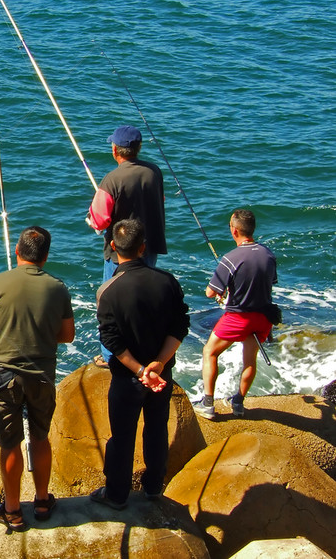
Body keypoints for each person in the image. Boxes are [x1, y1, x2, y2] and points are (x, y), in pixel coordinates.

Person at [0, 226, 75, 531]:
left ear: (17, 252)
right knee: (40, 437)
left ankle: (12, 511)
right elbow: (67, 335)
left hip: (2, 376)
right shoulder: (57, 287)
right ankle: (43, 500)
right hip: (41, 377)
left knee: (10, 444)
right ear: (45, 256)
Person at [90, 218, 189, 510]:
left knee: (121, 437)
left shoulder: (108, 291)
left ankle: (117, 494)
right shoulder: (167, 281)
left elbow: (112, 340)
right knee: (157, 429)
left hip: (127, 378)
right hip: (162, 374)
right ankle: (154, 487)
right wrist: (157, 365)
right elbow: (180, 326)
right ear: (144, 247)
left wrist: (139, 370)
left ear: (112, 247)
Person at [86, 124, 167, 367]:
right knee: (143, 297)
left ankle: (111, 356)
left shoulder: (112, 179)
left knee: (111, 303)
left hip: (119, 252)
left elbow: (99, 220)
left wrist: (91, 218)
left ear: (115, 150)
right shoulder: (154, 172)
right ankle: (144, 347)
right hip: (149, 246)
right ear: (138, 148)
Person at [193, 209, 278, 419]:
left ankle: (208, 403)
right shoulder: (269, 255)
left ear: (235, 230)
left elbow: (210, 292)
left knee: (209, 352)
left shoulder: (230, 258)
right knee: (250, 360)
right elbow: (268, 283)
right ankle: (238, 402)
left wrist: (222, 294)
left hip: (238, 318)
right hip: (263, 318)